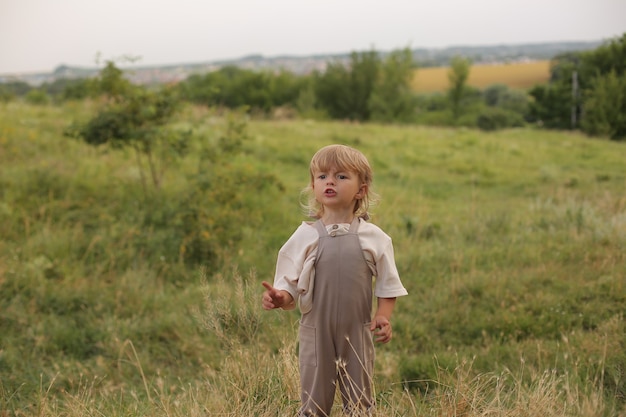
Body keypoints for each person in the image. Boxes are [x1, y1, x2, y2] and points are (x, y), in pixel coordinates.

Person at [261, 144, 408, 416]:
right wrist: (280, 297)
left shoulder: (374, 238)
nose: (330, 181)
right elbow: (289, 284)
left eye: (341, 176)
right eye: (322, 176)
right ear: (314, 187)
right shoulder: (305, 235)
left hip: (358, 332)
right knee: (314, 403)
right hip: (315, 333)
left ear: (361, 190)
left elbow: (388, 285)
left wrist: (384, 316)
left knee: (360, 402)